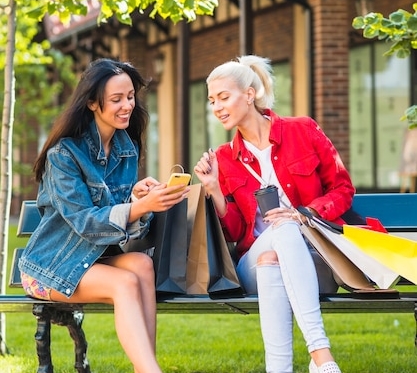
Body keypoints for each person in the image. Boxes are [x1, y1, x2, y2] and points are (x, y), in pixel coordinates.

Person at [19, 58, 189, 373]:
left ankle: (144, 367)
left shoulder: (125, 149)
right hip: (48, 267)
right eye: (116, 100)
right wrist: (141, 207)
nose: (127, 105)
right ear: (93, 104)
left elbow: (124, 224)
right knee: (124, 282)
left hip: (90, 261)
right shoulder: (64, 156)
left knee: (142, 265)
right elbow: (86, 222)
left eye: (130, 97)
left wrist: (136, 198)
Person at [194, 55, 355, 373]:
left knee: (278, 248)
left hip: (317, 263)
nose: (217, 107)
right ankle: (322, 356)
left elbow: (343, 190)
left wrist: (304, 214)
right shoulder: (225, 158)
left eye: (224, 97)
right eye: (212, 101)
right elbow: (236, 232)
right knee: (278, 235)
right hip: (251, 263)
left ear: (249, 94)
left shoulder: (303, 130)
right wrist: (213, 188)